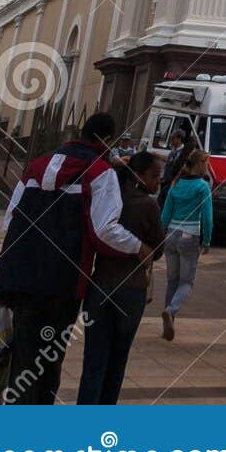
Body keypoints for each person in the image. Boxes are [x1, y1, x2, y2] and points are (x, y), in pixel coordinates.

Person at [0, 111, 150, 405]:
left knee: (24, 355)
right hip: (64, 281)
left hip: (22, 278)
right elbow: (104, 230)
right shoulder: (100, 171)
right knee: (50, 358)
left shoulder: (36, 165)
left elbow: (10, 219)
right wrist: (138, 246)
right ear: (107, 139)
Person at [77, 151, 165, 404]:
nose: (159, 181)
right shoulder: (148, 204)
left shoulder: (109, 198)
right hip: (131, 290)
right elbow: (158, 249)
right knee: (117, 360)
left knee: (93, 359)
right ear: (140, 175)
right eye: (155, 176)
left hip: (100, 285)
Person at [160, 149, 213, 339]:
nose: (207, 167)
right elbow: (207, 217)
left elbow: (165, 215)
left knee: (172, 280)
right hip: (189, 236)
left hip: (171, 236)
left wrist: (160, 235)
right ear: (200, 164)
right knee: (186, 282)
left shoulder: (176, 184)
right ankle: (171, 310)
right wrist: (206, 240)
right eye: (206, 163)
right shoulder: (202, 187)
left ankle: (167, 321)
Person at [159, 129, 187, 207]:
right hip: (166, 181)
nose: (171, 141)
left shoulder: (182, 152)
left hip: (173, 183)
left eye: (173, 138)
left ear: (179, 139)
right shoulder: (173, 150)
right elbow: (169, 160)